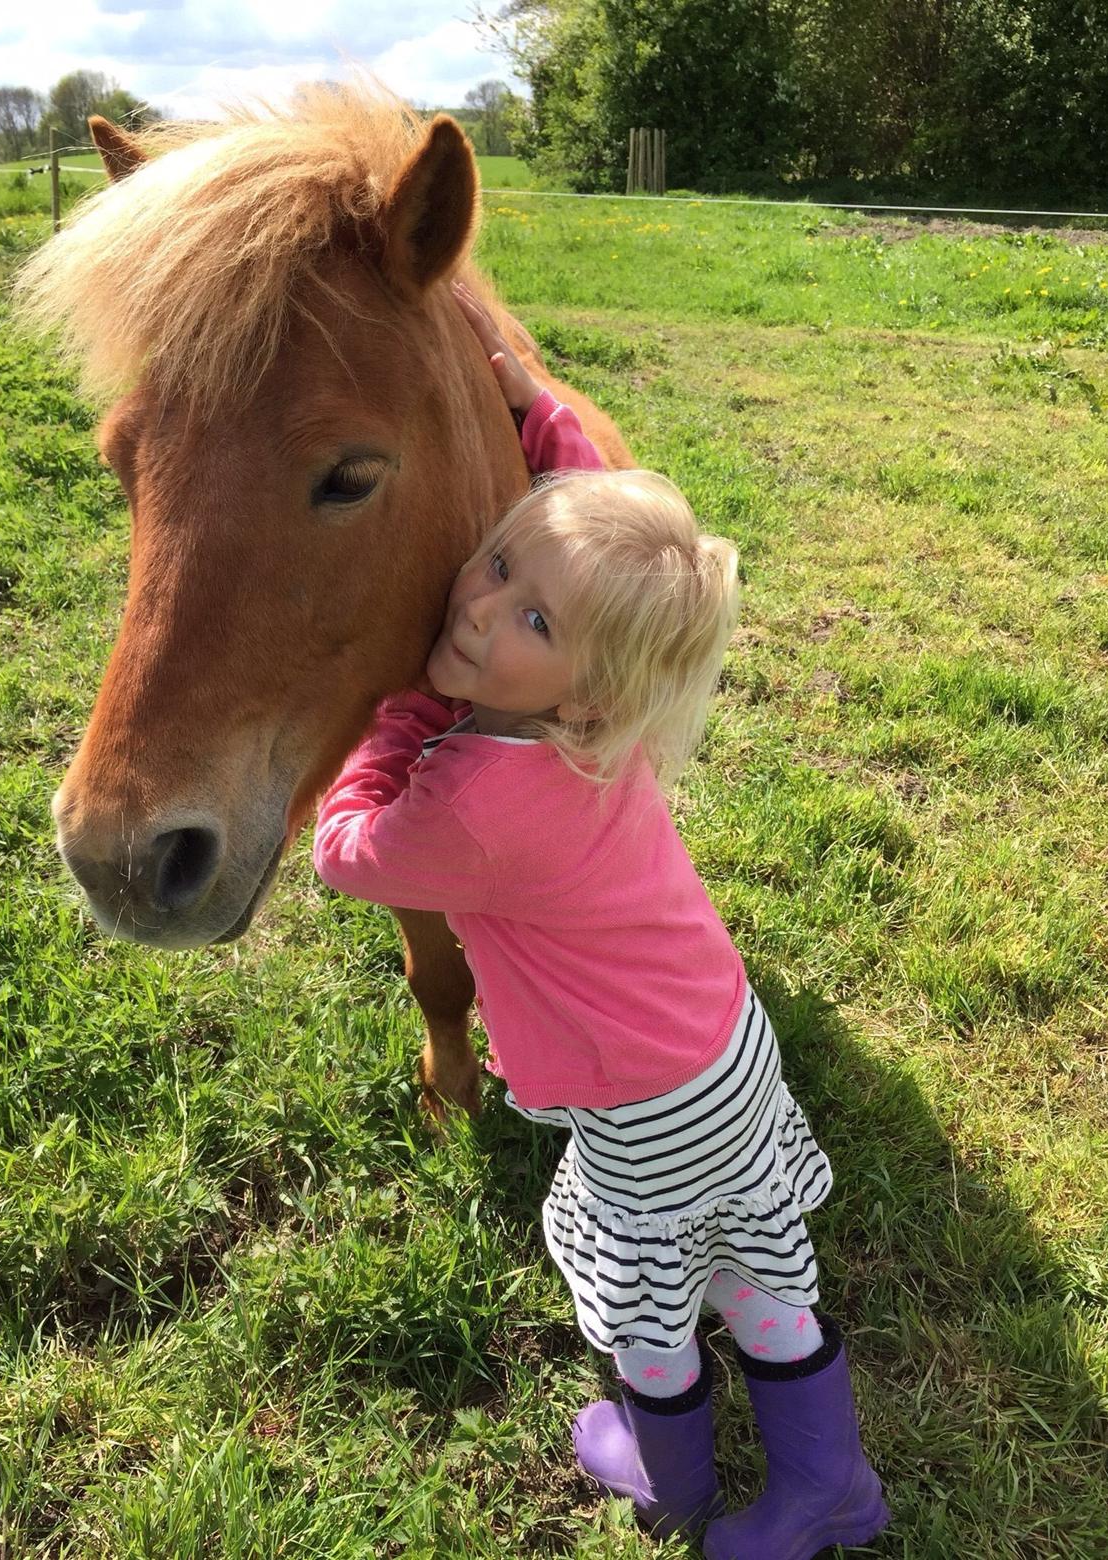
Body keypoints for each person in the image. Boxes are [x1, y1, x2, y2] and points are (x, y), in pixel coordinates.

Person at [312, 281, 889, 1560]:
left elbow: (348, 857)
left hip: (632, 1104)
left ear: (587, 684)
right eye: (501, 563)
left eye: (528, 619)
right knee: (758, 1264)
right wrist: (534, 402)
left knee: (650, 1303)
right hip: (724, 1048)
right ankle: (828, 1478)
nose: (478, 604)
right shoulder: (595, 722)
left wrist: (391, 725)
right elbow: (593, 534)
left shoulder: (467, 803)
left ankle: (667, 1470)